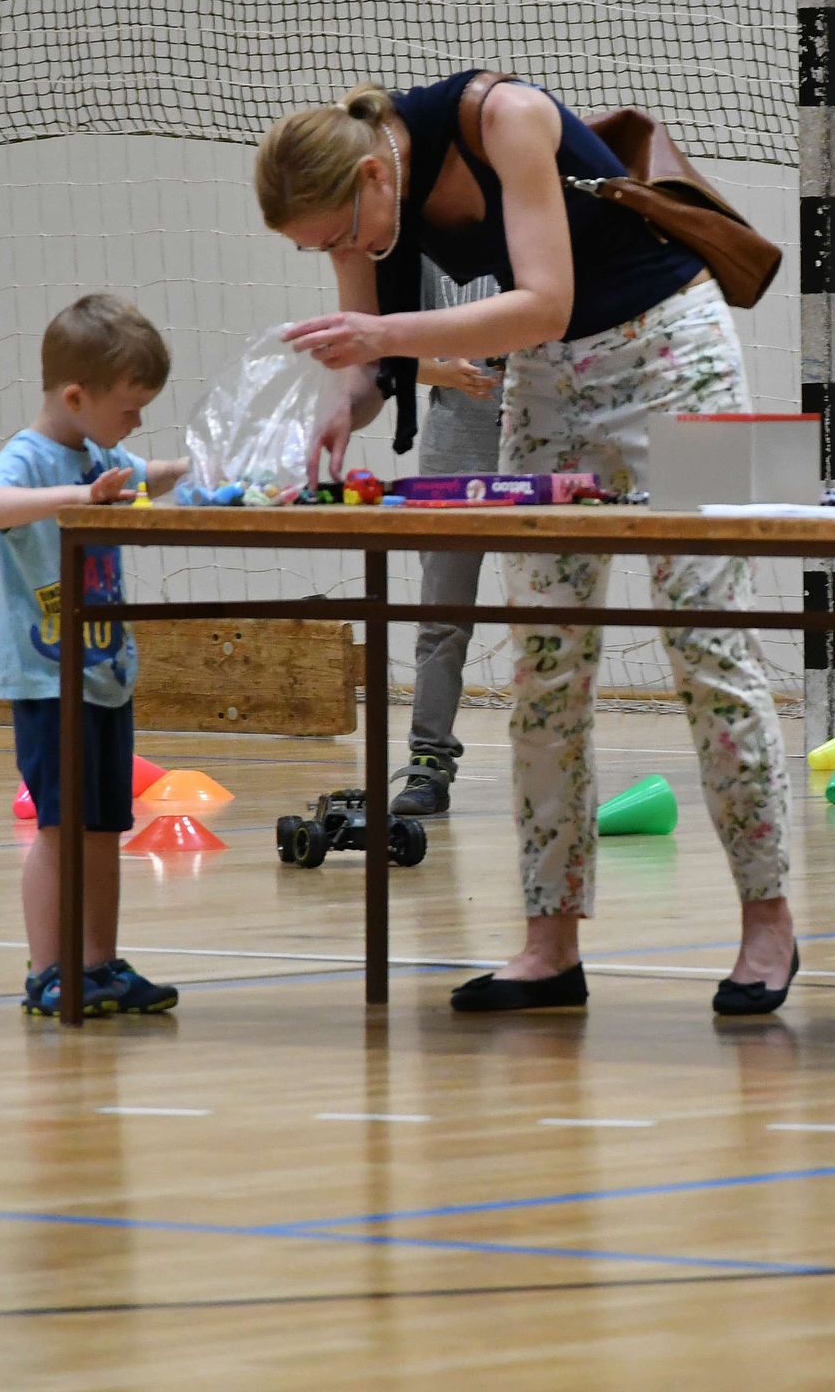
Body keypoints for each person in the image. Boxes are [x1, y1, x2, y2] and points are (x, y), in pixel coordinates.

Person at [255, 70, 797, 1018]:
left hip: (680, 350)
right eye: (322, 248)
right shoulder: (368, 200)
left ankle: (768, 921)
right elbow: (372, 364)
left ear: (374, 176)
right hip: (549, 380)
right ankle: (550, 943)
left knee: (710, 640)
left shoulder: (503, 117)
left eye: (340, 236)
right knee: (544, 662)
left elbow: (543, 298)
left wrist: (383, 333)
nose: (342, 253)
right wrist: (341, 403)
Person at [0, 291, 187, 1019]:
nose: (136, 422)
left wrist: (192, 466)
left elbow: (145, 473)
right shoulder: (30, 458)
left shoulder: (103, 454)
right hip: (47, 678)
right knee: (60, 829)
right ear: (75, 396)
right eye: (130, 408)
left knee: (102, 829)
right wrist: (74, 497)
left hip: (105, 675)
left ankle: (99, 964)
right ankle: (49, 970)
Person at [390, 261, 503, 819]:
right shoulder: (425, 249)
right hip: (457, 442)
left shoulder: (547, 229)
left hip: (547, 438)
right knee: (442, 617)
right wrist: (442, 371)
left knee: (557, 616)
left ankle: (560, 760)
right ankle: (429, 760)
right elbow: (387, 353)